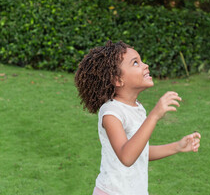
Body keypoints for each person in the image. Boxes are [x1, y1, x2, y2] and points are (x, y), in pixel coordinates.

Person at [74, 41, 201, 195]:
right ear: (117, 80)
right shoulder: (111, 113)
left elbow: (139, 152)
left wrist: (177, 146)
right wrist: (154, 115)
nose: (145, 65)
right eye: (135, 63)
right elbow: (127, 157)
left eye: (141, 60)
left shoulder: (137, 108)